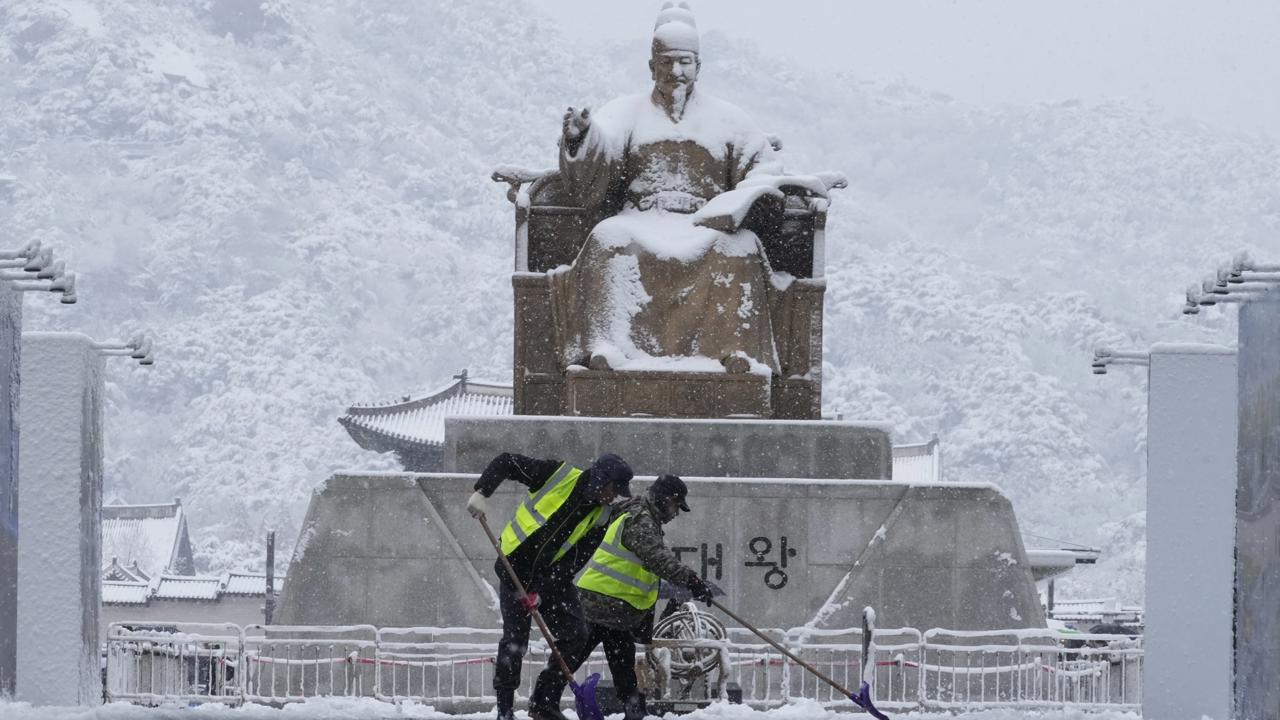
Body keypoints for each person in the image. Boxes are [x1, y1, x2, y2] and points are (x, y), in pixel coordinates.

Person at [548, 1, 814, 375]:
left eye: (685, 62)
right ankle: (608, 347)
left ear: (699, 67)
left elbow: (764, 167)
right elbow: (601, 151)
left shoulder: (729, 119)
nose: (676, 71)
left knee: (740, 247)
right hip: (641, 219)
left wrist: (744, 199)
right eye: (667, 61)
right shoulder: (627, 112)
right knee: (607, 239)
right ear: (652, 65)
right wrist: (581, 138)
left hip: (705, 223)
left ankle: (735, 351)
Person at [526, 474, 713, 720]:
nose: (675, 513)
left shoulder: (640, 516)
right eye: (676, 506)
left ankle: (633, 709)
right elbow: (658, 558)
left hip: (617, 611)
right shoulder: (640, 519)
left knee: (619, 663)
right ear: (663, 499)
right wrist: (692, 581)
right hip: (599, 604)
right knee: (572, 656)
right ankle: (543, 704)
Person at [466, 452, 634, 720]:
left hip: (551, 579)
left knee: (576, 634)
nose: (615, 497)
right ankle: (505, 710)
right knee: (515, 642)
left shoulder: (602, 515)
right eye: (614, 489)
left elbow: (574, 559)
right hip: (514, 570)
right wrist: (483, 492)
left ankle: (544, 702)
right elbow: (507, 461)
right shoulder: (558, 475)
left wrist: (541, 593)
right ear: (600, 480)